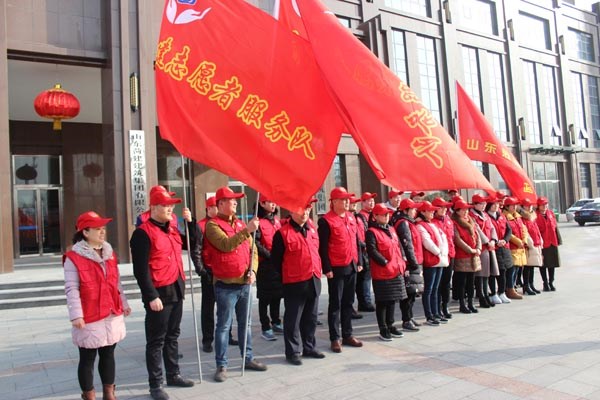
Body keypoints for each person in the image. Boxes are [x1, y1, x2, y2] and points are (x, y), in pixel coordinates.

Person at [130, 187, 198, 400]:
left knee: (173, 335)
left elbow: (194, 243)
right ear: (153, 207)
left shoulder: (172, 229)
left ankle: (173, 374)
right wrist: (151, 296)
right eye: (165, 205)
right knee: (156, 340)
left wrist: (190, 223)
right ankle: (155, 384)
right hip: (159, 292)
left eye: (171, 206)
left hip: (176, 287)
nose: (170, 209)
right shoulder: (142, 233)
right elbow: (140, 270)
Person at [64, 211, 130, 400]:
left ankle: (109, 393)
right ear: (85, 232)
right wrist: (76, 315)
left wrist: (123, 303)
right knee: (87, 358)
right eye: (97, 229)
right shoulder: (73, 257)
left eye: (103, 228)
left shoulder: (110, 254)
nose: (102, 232)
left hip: (111, 312)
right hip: (89, 314)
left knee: (108, 354)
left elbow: (116, 282)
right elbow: (71, 288)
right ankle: (89, 395)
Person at [204, 187, 267, 383]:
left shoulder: (240, 223)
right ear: (221, 203)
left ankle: (248, 358)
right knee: (224, 326)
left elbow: (253, 250)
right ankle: (221, 365)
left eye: (235, 200)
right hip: (226, 285)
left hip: (244, 284)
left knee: (245, 324)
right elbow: (225, 245)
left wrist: (253, 271)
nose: (235, 203)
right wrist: (247, 230)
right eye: (231, 200)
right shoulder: (212, 225)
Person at [271, 198, 326, 365]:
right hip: (294, 282)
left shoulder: (312, 229)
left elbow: (317, 251)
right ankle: (293, 351)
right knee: (293, 319)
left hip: (313, 278)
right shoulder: (282, 233)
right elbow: (276, 261)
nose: (305, 213)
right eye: (301, 210)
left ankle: (309, 347)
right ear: (291, 211)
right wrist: (287, 275)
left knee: (311, 317)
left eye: (308, 209)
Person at [318, 187, 364, 353]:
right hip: (336, 267)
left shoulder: (351, 217)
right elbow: (323, 247)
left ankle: (347, 334)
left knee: (348, 302)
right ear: (334, 201)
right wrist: (327, 268)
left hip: (351, 264)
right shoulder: (326, 221)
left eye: (347, 199)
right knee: (335, 304)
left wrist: (359, 260)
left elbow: (357, 241)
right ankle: (335, 338)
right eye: (343, 199)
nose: (347, 202)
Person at [196, 196, 237, 353]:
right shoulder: (201, 225)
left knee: (226, 305)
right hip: (209, 272)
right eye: (215, 207)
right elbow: (196, 250)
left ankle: (228, 335)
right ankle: (208, 340)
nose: (218, 209)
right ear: (209, 208)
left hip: (224, 271)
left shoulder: (226, 223)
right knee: (208, 308)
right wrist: (202, 270)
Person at [366, 203, 407, 340]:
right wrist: (384, 262)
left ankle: (391, 325)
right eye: (383, 214)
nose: (386, 216)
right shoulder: (372, 232)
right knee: (383, 301)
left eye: (387, 214)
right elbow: (372, 250)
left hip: (396, 269)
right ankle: (383, 328)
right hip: (382, 272)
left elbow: (399, 246)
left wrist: (402, 261)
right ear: (375, 216)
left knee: (392, 300)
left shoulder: (391, 228)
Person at [254, 198, 284, 341]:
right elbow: (256, 243)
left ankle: (276, 321)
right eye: (270, 202)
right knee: (264, 297)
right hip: (265, 264)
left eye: (274, 202)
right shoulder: (257, 222)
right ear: (262, 203)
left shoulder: (276, 221)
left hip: (278, 263)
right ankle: (265, 327)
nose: (273, 204)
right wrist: (270, 256)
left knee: (277, 295)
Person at [417, 201, 450, 325]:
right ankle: (429, 315)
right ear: (423, 212)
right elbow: (427, 242)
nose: (432, 212)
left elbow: (444, 238)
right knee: (429, 289)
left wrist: (443, 252)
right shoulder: (420, 225)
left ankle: (436, 312)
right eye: (429, 210)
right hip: (431, 260)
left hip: (440, 259)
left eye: (432, 210)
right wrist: (438, 252)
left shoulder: (433, 224)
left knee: (436, 288)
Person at [393, 198, 423, 332]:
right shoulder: (403, 224)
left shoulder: (410, 222)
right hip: (409, 263)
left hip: (414, 261)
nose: (415, 211)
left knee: (413, 292)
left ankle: (410, 317)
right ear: (406, 210)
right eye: (413, 209)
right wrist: (413, 262)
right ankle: (406, 319)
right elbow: (407, 245)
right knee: (408, 292)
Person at [452, 200, 482, 314]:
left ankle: (470, 302)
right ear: (457, 211)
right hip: (462, 256)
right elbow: (457, 239)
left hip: (473, 255)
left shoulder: (471, 220)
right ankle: (462, 304)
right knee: (462, 282)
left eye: (467, 209)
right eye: (463, 210)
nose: (466, 212)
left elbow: (477, 235)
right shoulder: (455, 222)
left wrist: (478, 248)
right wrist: (471, 250)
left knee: (471, 281)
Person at [470, 194, 499, 309]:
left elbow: (492, 228)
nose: (483, 205)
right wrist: (487, 241)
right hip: (481, 247)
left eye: (484, 203)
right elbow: (477, 230)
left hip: (489, 247)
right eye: (481, 203)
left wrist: (493, 240)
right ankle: (481, 296)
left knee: (487, 273)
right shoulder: (472, 215)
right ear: (475, 204)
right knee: (480, 274)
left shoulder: (485, 215)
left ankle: (486, 294)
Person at [486, 195, 514, 304]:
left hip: (504, 247)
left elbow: (509, 230)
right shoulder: (486, 217)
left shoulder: (501, 215)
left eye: (497, 204)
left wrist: (505, 240)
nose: (496, 206)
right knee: (494, 272)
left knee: (505, 270)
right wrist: (495, 241)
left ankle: (502, 292)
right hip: (493, 248)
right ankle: (493, 293)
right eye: (493, 204)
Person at [432, 197, 455, 319]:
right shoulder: (432, 222)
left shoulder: (448, 220)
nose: (444, 209)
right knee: (438, 283)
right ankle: (437, 307)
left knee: (446, 282)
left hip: (450, 254)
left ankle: (445, 305)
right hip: (439, 256)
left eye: (445, 207)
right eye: (441, 207)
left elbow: (452, 236)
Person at [352, 194, 375, 313]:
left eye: (373, 200)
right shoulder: (359, 217)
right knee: (365, 277)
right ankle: (365, 301)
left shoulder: (372, 215)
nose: (372, 202)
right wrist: (366, 245)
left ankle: (365, 301)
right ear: (363, 203)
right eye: (369, 201)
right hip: (364, 251)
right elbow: (360, 236)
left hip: (368, 250)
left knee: (365, 277)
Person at [536, 197, 562, 291]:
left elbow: (555, 227)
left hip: (552, 241)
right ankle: (545, 283)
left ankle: (551, 282)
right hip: (542, 243)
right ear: (538, 206)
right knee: (543, 264)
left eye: (546, 204)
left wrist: (559, 240)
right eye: (542, 205)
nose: (545, 206)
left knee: (552, 264)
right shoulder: (535, 216)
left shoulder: (550, 213)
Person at [503, 197, 527, 300]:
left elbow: (523, 229)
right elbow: (508, 233)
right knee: (511, 269)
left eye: (515, 205)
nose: (515, 207)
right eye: (512, 205)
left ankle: (512, 287)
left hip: (520, 247)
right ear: (507, 206)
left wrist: (524, 240)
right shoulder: (505, 217)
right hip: (512, 246)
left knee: (517, 269)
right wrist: (518, 241)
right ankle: (509, 288)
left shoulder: (518, 216)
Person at [520, 199, 543, 295]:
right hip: (529, 245)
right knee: (527, 267)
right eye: (527, 206)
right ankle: (526, 286)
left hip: (536, 243)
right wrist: (530, 243)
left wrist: (540, 239)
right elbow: (524, 231)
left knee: (532, 266)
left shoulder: (532, 216)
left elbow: (536, 229)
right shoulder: (522, 218)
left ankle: (531, 284)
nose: (529, 207)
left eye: (530, 205)